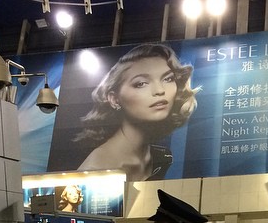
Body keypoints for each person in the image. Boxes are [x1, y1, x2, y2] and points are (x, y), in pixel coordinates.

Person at [76, 43, 198, 181]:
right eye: (141, 84)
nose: (159, 90)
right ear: (114, 99)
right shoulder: (96, 170)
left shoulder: (161, 157)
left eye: (168, 79)